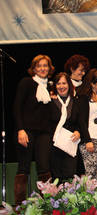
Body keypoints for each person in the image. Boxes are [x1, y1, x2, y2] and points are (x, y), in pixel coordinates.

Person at [13, 55, 55, 205]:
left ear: (49, 68)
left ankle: (47, 205)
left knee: (44, 167)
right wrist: (20, 130)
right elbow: (17, 107)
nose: (43, 68)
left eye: (46, 66)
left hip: (44, 132)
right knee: (24, 167)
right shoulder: (26, 83)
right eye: (39, 66)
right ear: (34, 68)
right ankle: (19, 206)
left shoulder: (50, 86)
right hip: (27, 131)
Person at [76, 68, 97, 180]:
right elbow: (81, 120)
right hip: (91, 139)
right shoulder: (83, 97)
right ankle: (87, 196)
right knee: (90, 172)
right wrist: (87, 140)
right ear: (92, 83)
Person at [49, 72, 81, 183]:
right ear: (55, 86)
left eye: (64, 83)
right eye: (58, 83)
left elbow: (80, 121)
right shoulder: (50, 101)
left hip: (70, 142)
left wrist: (78, 131)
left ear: (69, 85)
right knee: (56, 177)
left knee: (69, 176)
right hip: (54, 144)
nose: (61, 86)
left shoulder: (76, 101)